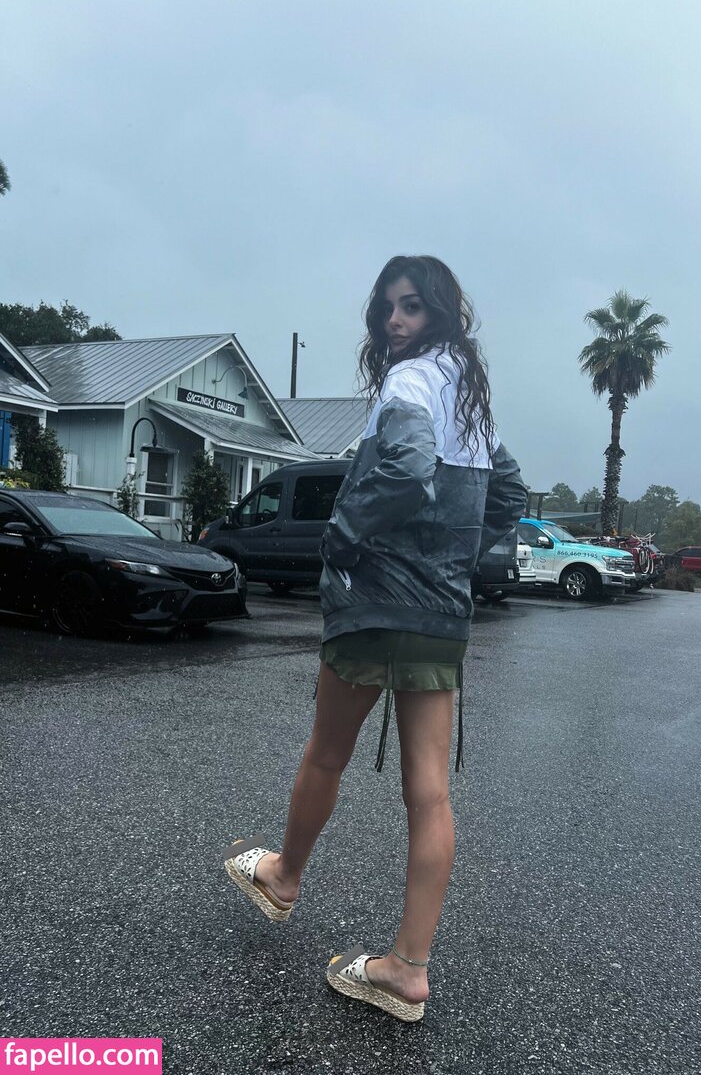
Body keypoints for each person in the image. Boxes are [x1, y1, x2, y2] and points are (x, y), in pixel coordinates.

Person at [225, 255, 527, 1022]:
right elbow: (509, 492)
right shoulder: (471, 400)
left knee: (327, 752)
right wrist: (452, 557)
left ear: (440, 312)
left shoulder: (410, 383)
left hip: (374, 606)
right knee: (429, 790)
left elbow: (407, 468)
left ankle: (284, 878)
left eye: (412, 306)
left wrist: (344, 539)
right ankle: (407, 971)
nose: (395, 321)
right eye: (389, 307)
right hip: (440, 615)